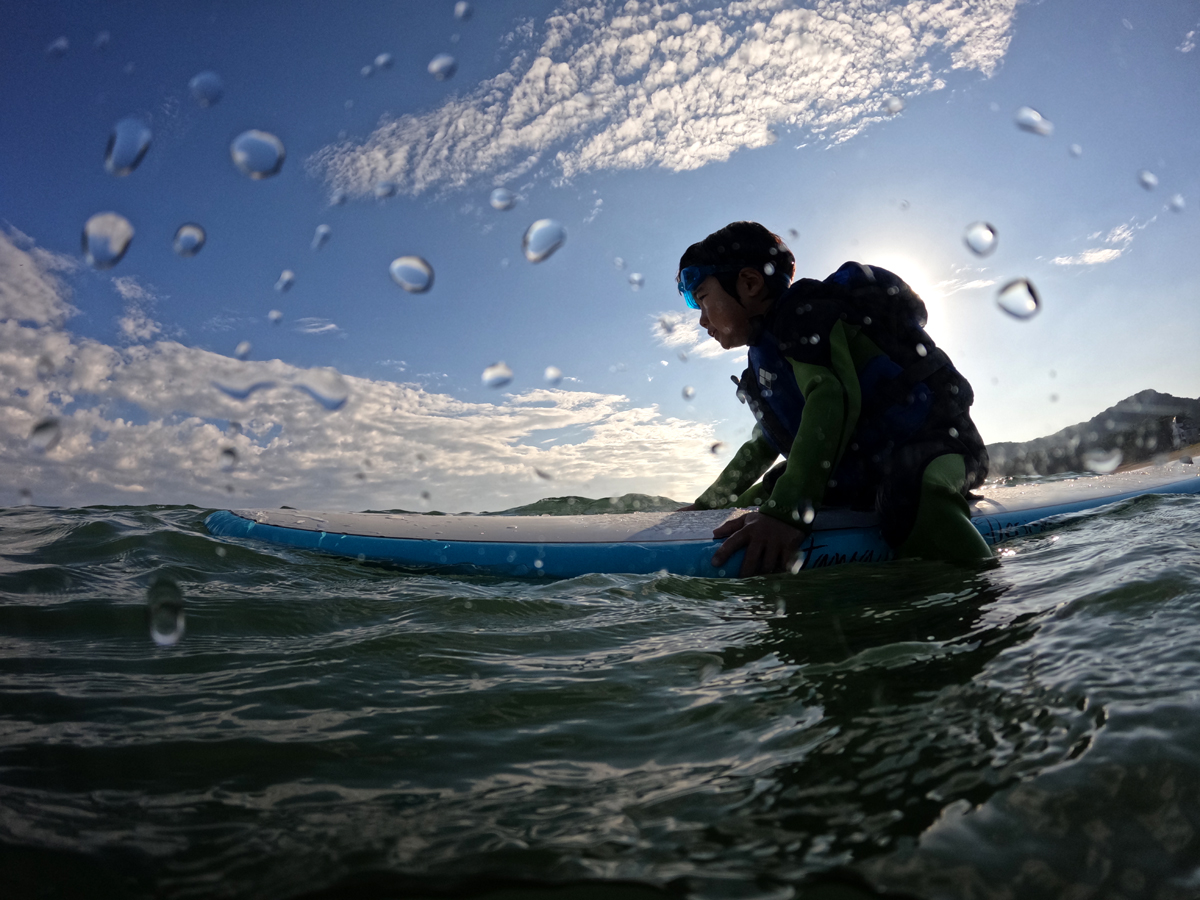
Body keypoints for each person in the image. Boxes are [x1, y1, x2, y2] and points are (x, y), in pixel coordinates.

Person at [676, 221, 992, 576]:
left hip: (941, 445)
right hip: (861, 468)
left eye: (702, 299)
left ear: (749, 283)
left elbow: (829, 398)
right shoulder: (763, 364)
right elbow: (763, 444)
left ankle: (984, 608)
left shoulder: (805, 318)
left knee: (914, 492)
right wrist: (706, 509)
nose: (702, 320)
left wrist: (786, 515)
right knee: (764, 494)